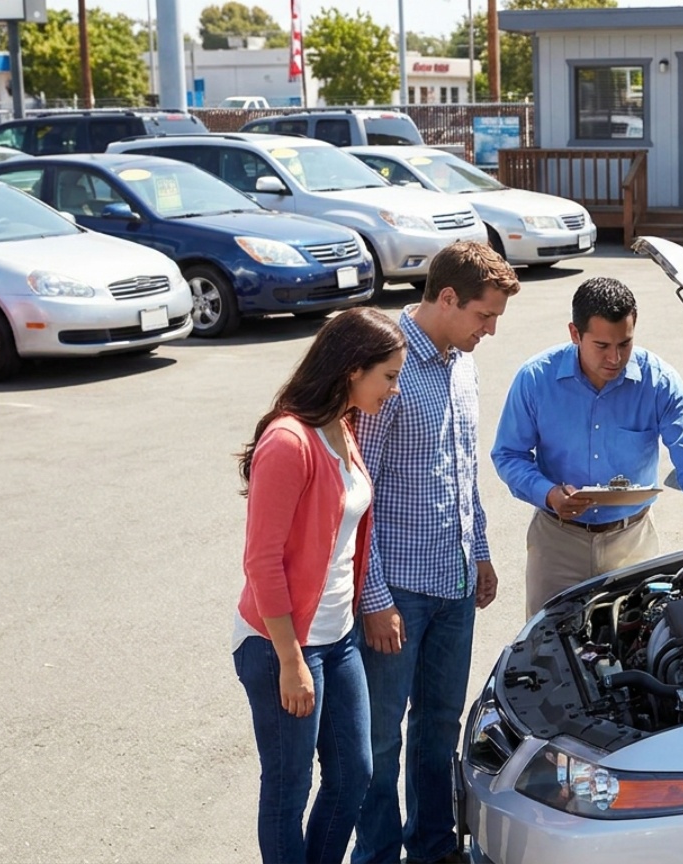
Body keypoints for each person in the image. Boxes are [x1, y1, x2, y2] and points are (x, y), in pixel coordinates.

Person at [351, 240, 519, 864]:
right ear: (446, 298)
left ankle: (431, 848)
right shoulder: (386, 363)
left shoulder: (462, 362)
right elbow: (357, 492)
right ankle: (377, 856)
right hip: (395, 593)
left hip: (454, 586)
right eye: (484, 315)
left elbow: (462, 468)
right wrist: (372, 599)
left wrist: (480, 551)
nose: (491, 330)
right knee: (381, 738)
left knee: (440, 727)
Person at [233, 307, 405, 864]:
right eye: (389, 376)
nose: (394, 390)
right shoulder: (289, 441)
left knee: (353, 776)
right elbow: (261, 563)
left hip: (340, 637)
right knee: (287, 791)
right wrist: (290, 660)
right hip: (282, 646)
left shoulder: (343, 427)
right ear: (353, 369)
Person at [492, 276, 683, 614]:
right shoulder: (535, 379)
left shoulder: (660, 382)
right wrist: (547, 492)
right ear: (575, 334)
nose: (615, 358)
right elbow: (508, 454)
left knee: (639, 642)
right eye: (602, 346)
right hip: (556, 542)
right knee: (548, 650)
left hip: (633, 541)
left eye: (625, 344)